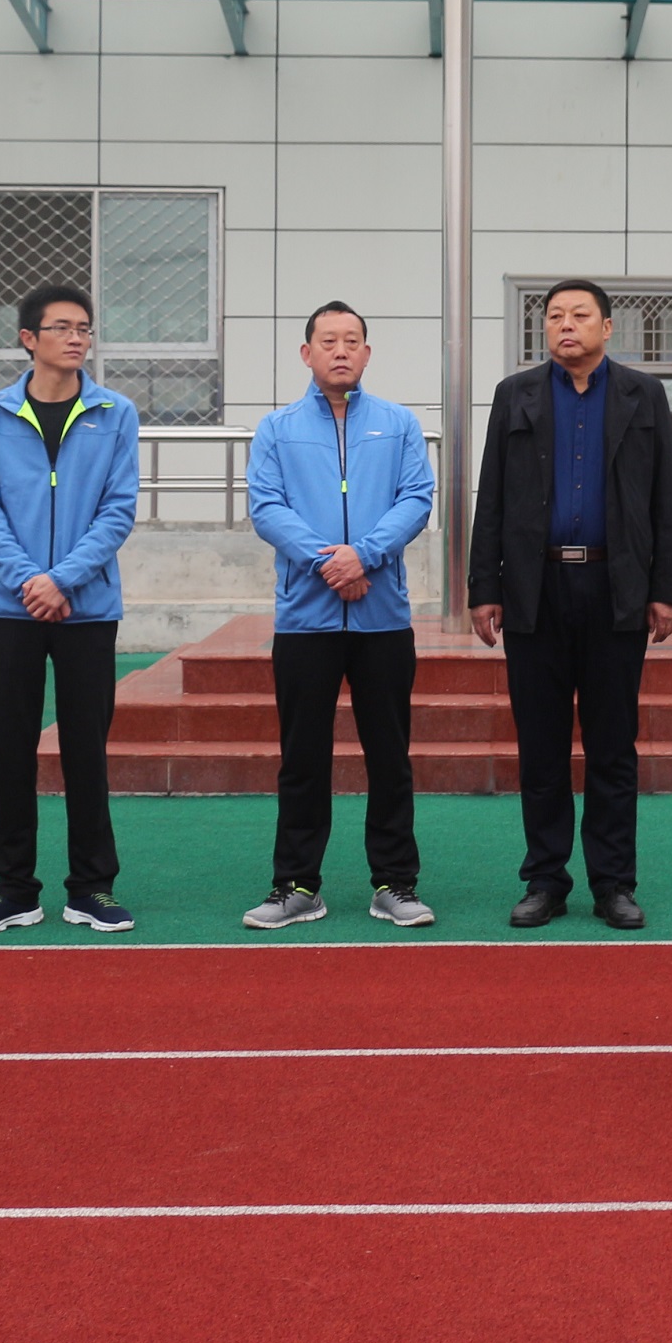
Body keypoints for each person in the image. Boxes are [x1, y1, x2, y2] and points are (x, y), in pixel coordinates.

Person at [468, 279, 672, 930]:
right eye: (555, 315)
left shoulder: (644, 395)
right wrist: (484, 588)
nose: (566, 325)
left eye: (580, 315)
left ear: (606, 327)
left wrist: (666, 587)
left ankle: (614, 883)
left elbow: (666, 496)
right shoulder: (516, 395)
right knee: (541, 746)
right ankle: (545, 879)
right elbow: (491, 495)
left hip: (615, 588)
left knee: (613, 746)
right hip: (535, 589)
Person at [243, 301, 440, 931]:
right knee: (302, 758)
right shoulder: (277, 428)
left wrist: (365, 555)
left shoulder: (398, 424)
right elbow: (266, 506)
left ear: (367, 353)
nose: (341, 350)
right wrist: (329, 562)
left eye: (352, 340)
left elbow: (417, 498)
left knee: (390, 756)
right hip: (306, 620)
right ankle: (296, 885)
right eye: (328, 341)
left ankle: (395, 883)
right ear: (307, 353)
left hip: (383, 620)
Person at [0, 284, 142, 936]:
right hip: (11, 608)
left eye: (84, 328)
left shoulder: (115, 413)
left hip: (88, 609)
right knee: (11, 747)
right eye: (62, 327)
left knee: (86, 748)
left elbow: (118, 509)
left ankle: (92, 886)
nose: (76, 338)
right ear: (28, 339)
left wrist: (62, 580)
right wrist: (29, 580)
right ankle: (13, 888)